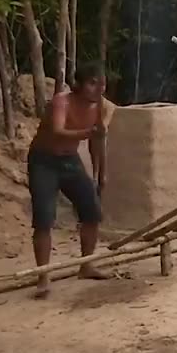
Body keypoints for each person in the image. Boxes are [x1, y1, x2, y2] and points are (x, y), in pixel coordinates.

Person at [27, 62, 112, 298]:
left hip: (70, 159)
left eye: (102, 84)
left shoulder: (99, 107)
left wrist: (100, 173)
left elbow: (99, 141)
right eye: (93, 83)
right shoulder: (61, 102)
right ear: (79, 85)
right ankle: (43, 276)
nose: (99, 89)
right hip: (44, 161)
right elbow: (58, 131)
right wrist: (88, 134)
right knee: (44, 218)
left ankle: (87, 265)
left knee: (92, 211)